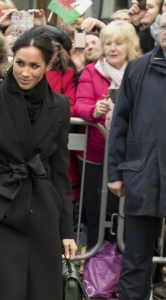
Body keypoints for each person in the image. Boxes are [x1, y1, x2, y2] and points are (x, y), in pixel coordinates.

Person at [0, 26, 77, 300]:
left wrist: (66, 230)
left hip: (42, 213)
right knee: (2, 291)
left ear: (48, 65)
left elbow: (59, 171)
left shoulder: (60, 106)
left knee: (42, 292)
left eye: (34, 66)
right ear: (12, 59)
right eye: (20, 63)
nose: (25, 72)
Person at [107, 10, 166, 300]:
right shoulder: (139, 68)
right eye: (164, 26)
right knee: (136, 259)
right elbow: (120, 123)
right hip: (144, 174)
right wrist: (115, 172)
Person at [73, 20, 141, 250]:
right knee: (94, 209)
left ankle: (120, 263)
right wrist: (94, 110)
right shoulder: (92, 71)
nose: (113, 48)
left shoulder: (139, 70)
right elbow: (78, 104)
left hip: (131, 154)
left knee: (123, 211)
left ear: (129, 45)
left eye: (119, 43)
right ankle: (94, 266)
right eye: (108, 43)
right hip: (95, 152)